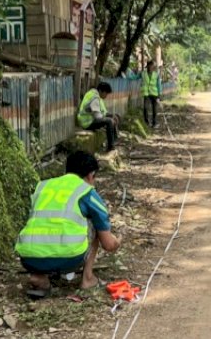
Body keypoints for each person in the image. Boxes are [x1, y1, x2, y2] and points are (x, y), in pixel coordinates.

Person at [15, 150, 121, 298]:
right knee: (93, 222)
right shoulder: (86, 191)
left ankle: (39, 276)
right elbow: (108, 245)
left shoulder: (43, 186)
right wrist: (117, 242)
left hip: (28, 258)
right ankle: (88, 279)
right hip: (68, 257)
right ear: (91, 175)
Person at [77, 82, 119, 152]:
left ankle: (114, 141)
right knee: (109, 121)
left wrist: (111, 115)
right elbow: (98, 117)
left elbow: (102, 112)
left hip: (87, 120)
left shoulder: (93, 94)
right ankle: (111, 146)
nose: (106, 96)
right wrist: (109, 119)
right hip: (87, 122)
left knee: (112, 119)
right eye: (106, 93)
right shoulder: (95, 98)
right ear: (100, 91)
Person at [141, 60, 162, 128]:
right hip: (146, 93)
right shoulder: (143, 73)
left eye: (154, 66)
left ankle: (154, 123)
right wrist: (127, 76)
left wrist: (159, 95)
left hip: (154, 93)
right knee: (145, 108)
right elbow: (135, 77)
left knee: (154, 109)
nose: (153, 67)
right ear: (148, 66)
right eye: (152, 66)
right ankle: (146, 123)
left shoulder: (156, 74)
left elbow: (159, 85)